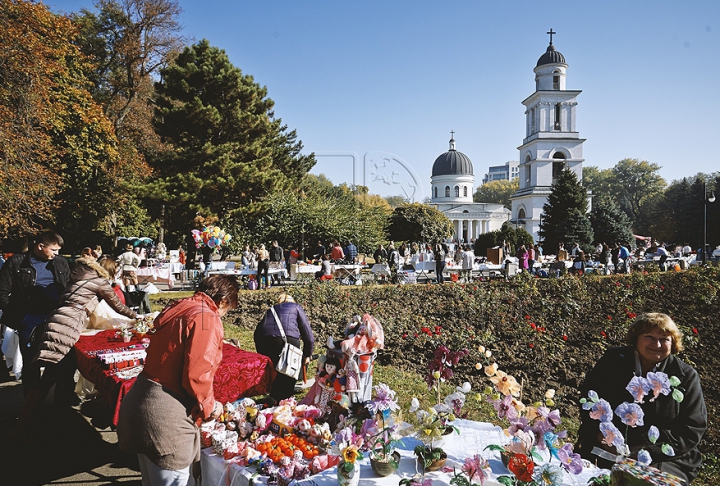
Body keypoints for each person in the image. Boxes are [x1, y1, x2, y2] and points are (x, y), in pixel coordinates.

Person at [117, 275, 239, 486]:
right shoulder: (205, 318)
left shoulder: (183, 307)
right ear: (224, 301)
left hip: (143, 402)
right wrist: (209, 408)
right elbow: (198, 374)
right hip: (165, 418)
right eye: (227, 310)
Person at [10, 256, 138, 438]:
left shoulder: (76, 280)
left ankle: (54, 416)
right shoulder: (99, 282)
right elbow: (118, 306)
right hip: (68, 326)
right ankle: (23, 424)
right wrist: (137, 316)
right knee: (50, 374)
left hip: (56, 320)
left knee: (62, 369)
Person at [576, 313, 706, 484]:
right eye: (649, 337)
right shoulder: (612, 361)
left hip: (665, 456)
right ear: (636, 338)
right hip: (607, 445)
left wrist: (646, 451)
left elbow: (692, 428)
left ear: (673, 343)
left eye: (664, 339)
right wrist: (600, 434)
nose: (657, 344)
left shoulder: (685, 376)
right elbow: (589, 398)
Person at [0, 231, 70, 395]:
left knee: (62, 358)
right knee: (31, 361)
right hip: (28, 319)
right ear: (40, 246)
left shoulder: (60, 263)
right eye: (53, 250)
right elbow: (2, 292)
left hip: (56, 317)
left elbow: (67, 287)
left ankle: (63, 398)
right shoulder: (16, 263)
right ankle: (31, 402)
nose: (56, 254)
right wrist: (20, 318)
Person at [254, 293, 314, 402]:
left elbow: (259, 330)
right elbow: (308, 335)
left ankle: (273, 399)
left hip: (262, 340)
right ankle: (283, 403)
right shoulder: (296, 307)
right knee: (289, 372)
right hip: (285, 338)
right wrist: (307, 354)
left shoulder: (271, 310)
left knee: (277, 370)